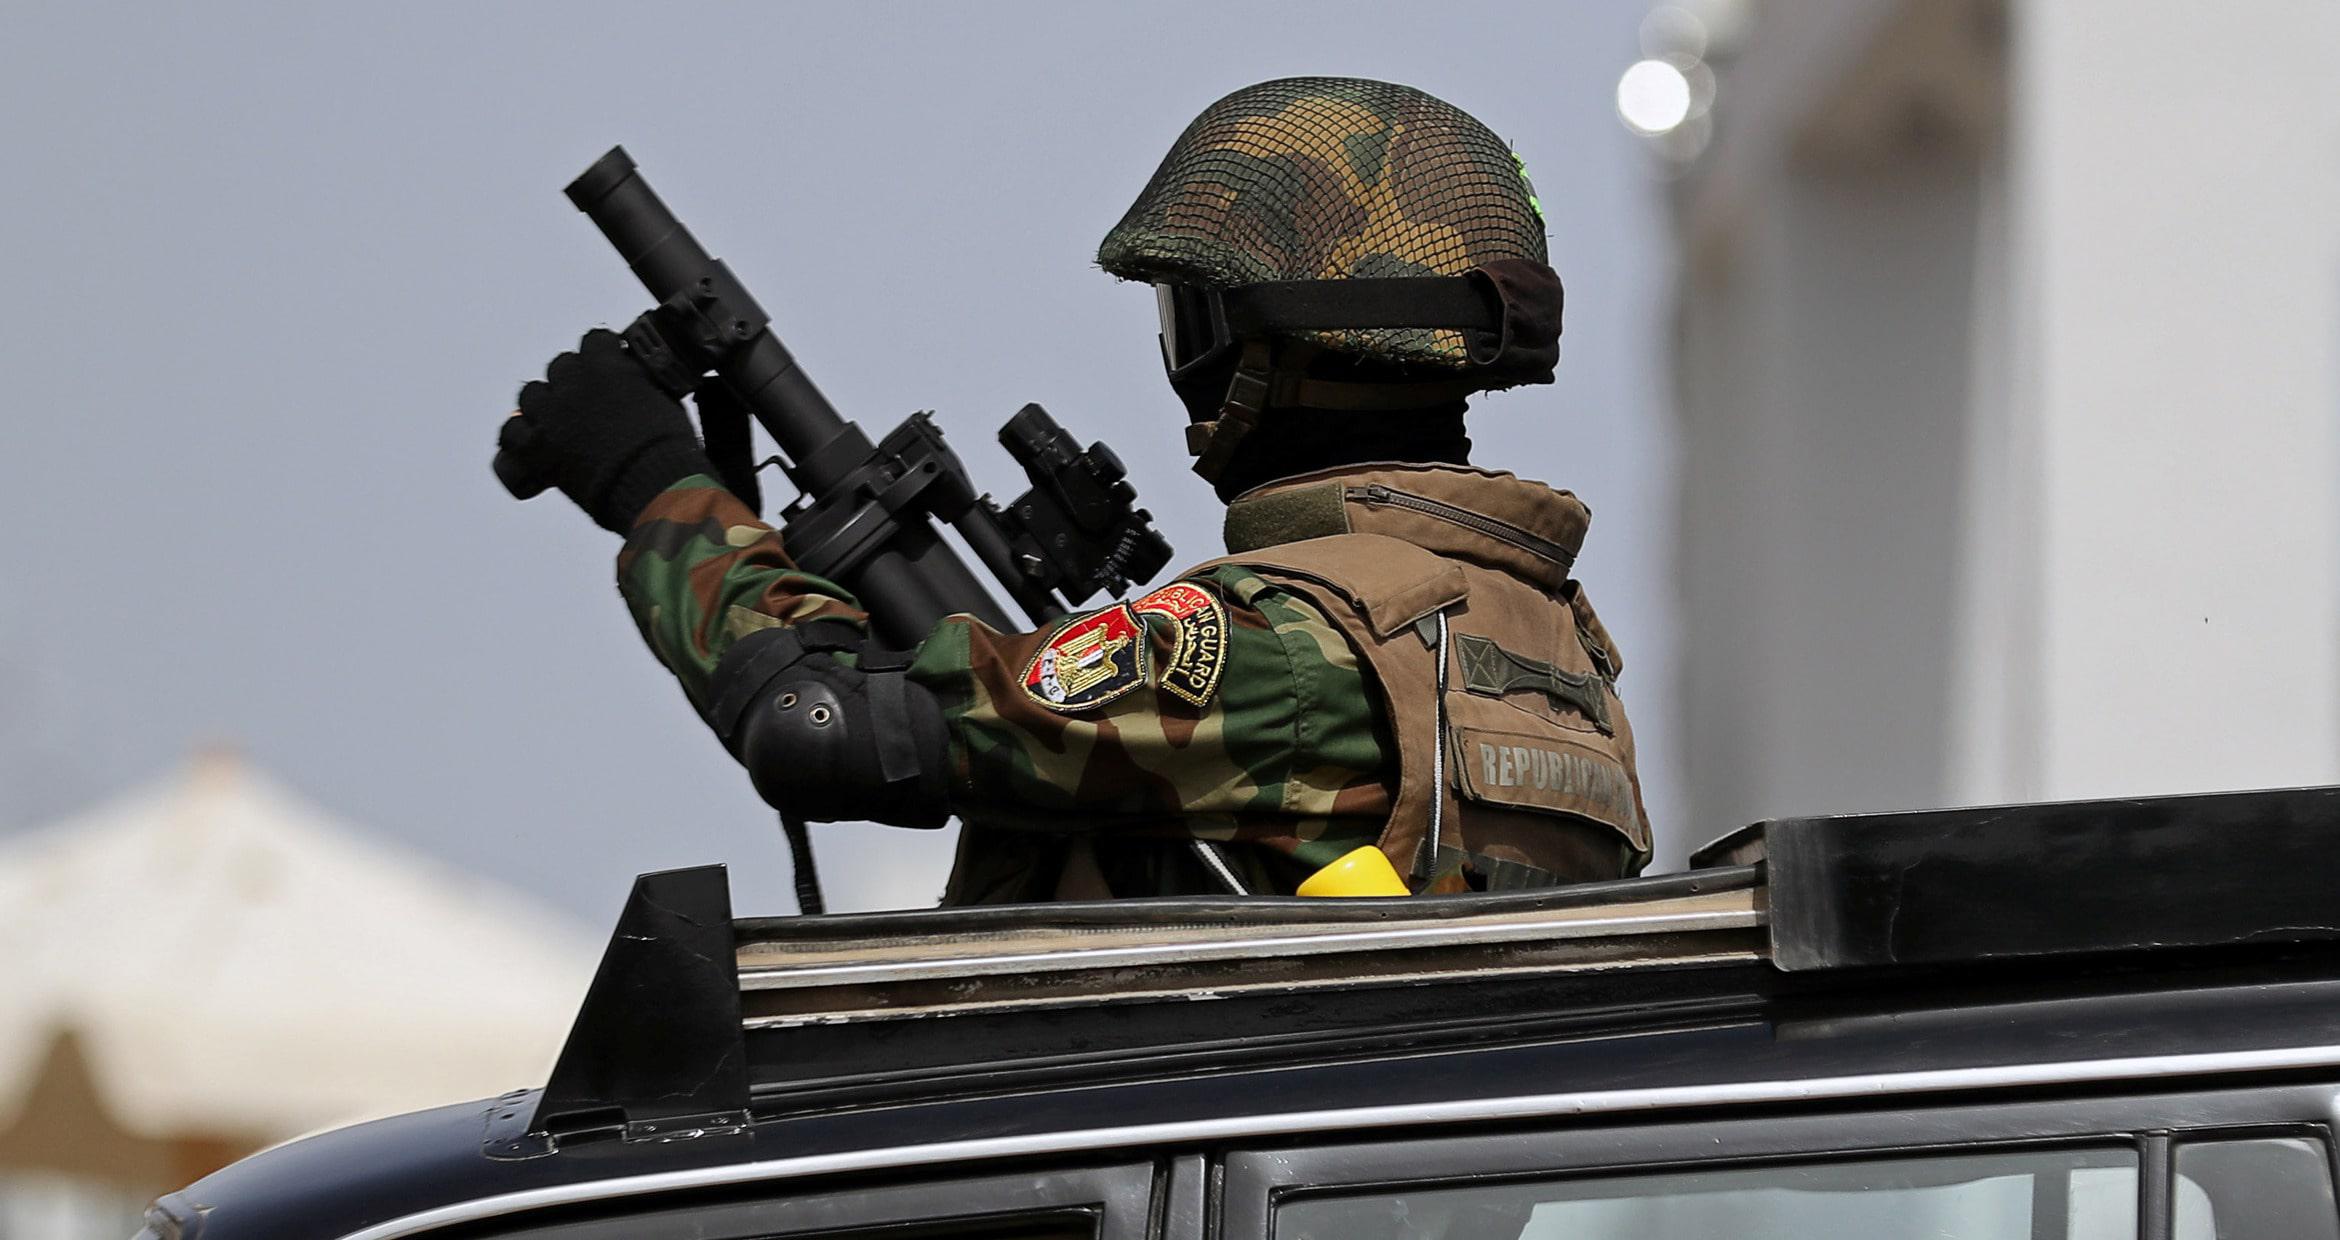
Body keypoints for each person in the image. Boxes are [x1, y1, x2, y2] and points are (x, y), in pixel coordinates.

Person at [499, 76, 1653, 904]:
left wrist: (657, 487)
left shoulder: (1284, 646)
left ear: (1265, 346)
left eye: (1194, 321)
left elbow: (813, 726)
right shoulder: (1555, 654)